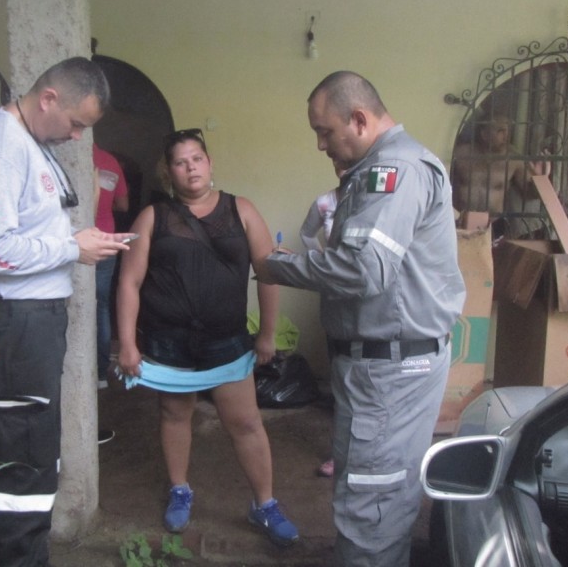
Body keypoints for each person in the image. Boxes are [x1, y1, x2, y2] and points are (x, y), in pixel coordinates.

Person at [256, 71, 466, 567]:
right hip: (387, 363)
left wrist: (274, 265)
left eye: (324, 131)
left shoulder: (393, 169)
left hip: (388, 371)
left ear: (359, 119)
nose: (319, 144)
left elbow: (363, 268)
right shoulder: (384, 166)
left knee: (369, 507)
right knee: (382, 498)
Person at [0, 57, 131, 567]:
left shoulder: (28, 143)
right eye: (77, 124)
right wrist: (70, 249)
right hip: (14, 326)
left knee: (33, 456)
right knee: (21, 462)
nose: (78, 137)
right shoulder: (2, 147)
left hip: (30, 324)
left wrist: (79, 241)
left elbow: (27, 230)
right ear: (49, 98)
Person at [115, 128, 299, 547]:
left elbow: (268, 273)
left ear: (209, 163)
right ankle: (180, 489)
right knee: (176, 416)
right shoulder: (152, 218)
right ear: (170, 172)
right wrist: (128, 342)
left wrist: (267, 333)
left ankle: (264, 504)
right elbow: (130, 282)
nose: (190, 167)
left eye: (196, 158)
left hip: (227, 342)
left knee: (247, 422)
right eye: (180, 162)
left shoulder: (242, 211)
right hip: (168, 343)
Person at [298, 159, 346, 478]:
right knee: (341, 375)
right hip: (337, 297)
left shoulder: (380, 199)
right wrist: (321, 261)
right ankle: (340, 454)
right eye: (339, 163)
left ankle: (376, 454)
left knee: (372, 378)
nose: (344, 167)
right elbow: (306, 234)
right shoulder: (325, 202)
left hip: (375, 302)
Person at [451, 113, 550, 236]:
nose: (506, 136)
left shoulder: (513, 159)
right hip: (458, 221)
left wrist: (541, 179)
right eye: (500, 131)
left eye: (508, 131)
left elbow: (529, 194)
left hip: (494, 224)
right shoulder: (460, 154)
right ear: (484, 134)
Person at [94, 143, 130, 390]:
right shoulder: (109, 161)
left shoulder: (56, 154)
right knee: (101, 306)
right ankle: (99, 374)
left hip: (73, 242)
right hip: (105, 241)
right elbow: (123, 205)